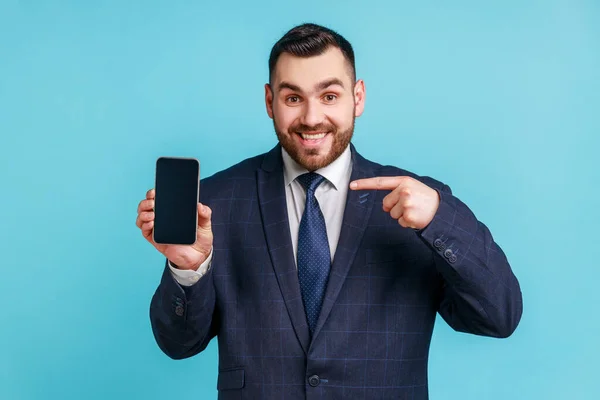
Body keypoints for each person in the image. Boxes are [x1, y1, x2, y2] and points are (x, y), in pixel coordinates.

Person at [136, 23, 523, 400]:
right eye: (293, 98)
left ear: (358, 97)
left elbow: (499, 315)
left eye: (329, 96)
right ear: (270, 102)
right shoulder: (215, 202)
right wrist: (189, 270)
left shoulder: (419, 204)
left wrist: (441, 219)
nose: (311, 118)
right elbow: (178, 345)